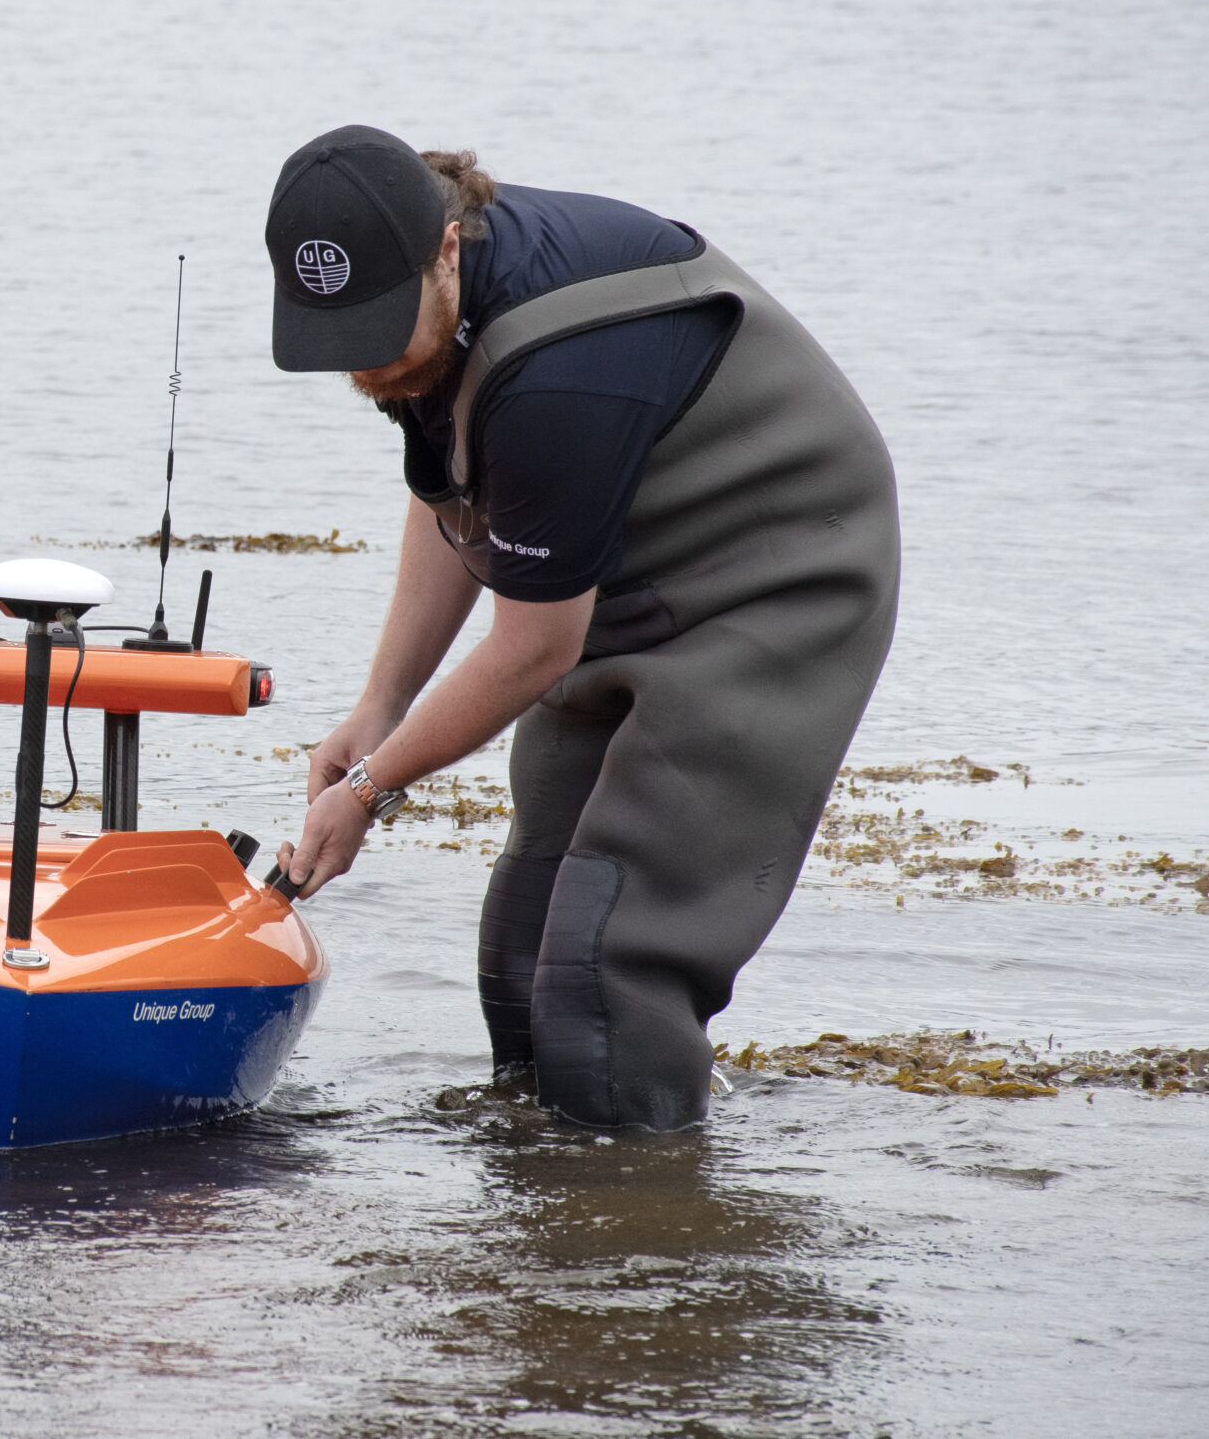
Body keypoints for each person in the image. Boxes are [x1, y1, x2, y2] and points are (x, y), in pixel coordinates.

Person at [265, 126, 898, 1132]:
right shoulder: (421, 320)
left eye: (384, 332)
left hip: (774, 583)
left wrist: (371, 789)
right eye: (342, 343)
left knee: (608, 971)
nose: (370, 364)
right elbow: (457, 495)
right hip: (615, 567)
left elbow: (532, 649)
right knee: (523, 953)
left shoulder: (559, 368)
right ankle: (544, 1217)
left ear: (447, 250)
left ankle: (641, 1240)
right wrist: (376, 710)